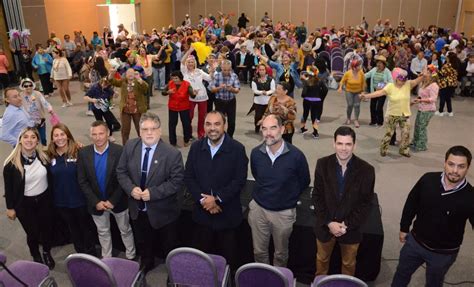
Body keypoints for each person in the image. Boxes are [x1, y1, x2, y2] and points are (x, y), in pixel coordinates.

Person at [392, 146, 474, 287]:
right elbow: (411, 202)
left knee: (434, 284)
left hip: (443, 254)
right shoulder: (428, 179)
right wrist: (404, 228)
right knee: (401, 274)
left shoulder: (471, 196)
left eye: (461, 166)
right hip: (415, 243)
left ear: (468, 167)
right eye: (451, 164)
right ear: (444, 163)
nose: (455, 171)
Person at [116, 112, 184, 274]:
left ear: (160, 131)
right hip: (138, 210)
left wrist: (153, 193)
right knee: (144, 241)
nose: (149, 133)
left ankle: (172, 272)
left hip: (163, 212)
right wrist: (131, 189)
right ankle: (147, 262)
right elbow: (121, 172)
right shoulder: (130, 147)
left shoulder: (172, 154)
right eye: (145, 129)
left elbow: (177, 182)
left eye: (153, 129)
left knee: (169, 245)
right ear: (139, 131)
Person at [184, 111, 248, 269]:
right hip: (202, 215)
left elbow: (239, 181)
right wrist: (204, 201)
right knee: (201, 262)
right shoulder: (196, 147)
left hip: (227, 215)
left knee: (228, 262)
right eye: (208, 124)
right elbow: (189, 178)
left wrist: (217, 199)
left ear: (225, 126)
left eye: (217, 124)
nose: (212, 128)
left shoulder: (237, 149)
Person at [249, 114, 310, 267]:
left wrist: (287, 198)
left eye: (273, 128)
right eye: (264, 128)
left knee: (281, 254)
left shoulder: (297, 156)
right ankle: (263, 277)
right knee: (258, 251)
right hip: (259, 210)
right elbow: (257, 175)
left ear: (282, 129)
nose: (268, 133)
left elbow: (304, 181)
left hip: (283, 214)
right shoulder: (256, 153)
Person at [312, 126, 375, 276]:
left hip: (351, 229)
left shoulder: (367, 170)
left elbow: (366, 203)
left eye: (348, 144)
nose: (343, 148)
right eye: (340, 143)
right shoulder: (322, 164)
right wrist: (329, 223)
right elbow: (317, 196)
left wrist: (346, 225)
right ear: (334, 144)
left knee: (348, 264)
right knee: (321, 260)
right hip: (325, 227)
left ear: (354, 145)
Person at [77, 121, 136, 260]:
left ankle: (131, 255)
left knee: (125, 230)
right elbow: (82, 181)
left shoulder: (120, 151)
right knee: (103, 232)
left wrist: (113, 200)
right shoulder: (84, 153)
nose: (98, 137)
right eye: (94, 134)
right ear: (90, 135)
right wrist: (95, 201)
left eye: (101, 133)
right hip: (96, 204)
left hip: (118, 202)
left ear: (108, 133)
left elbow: (124, 179)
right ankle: (107, 258)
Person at [3, 127, 55, 269]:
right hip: (25, 204)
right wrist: (10, 208)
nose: (29, 140)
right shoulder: (11, 165)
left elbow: (61, 149)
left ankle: (46, 252)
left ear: (37, 140)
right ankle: (35, 254)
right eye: (26, 137)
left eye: (33, 137)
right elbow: (9, 189)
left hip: (44, 200)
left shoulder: (44, 157)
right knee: (32, 233)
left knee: (46, 229)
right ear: (20, 140)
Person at [46, 124, 96, 255]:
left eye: (62, 134)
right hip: (62, 202)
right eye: (56, 135)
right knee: (73, 229)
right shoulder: (49, 155)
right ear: (52, 138)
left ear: (68, 136)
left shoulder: (79, 151)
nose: (59, 138)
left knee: (86, 228)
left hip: (80, 200)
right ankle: (80, 254)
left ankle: (92, 254)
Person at [361, 68, 424, 157]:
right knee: (389, 133)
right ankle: (384, 149)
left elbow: (418, 80)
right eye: (400, 79)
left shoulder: (408, 84)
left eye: (404, 79)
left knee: (406, 133)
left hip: (404, 114)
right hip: (392, 114)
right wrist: (367, 96)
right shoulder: (390, 86)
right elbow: (379, 93)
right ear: (395, 78)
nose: (402, 82)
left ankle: (404, 150)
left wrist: (424, 74)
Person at [181, 46, 214, 139]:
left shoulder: (200, 71)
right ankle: (189, 134)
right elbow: (182, 61)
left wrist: (211, 66)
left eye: (192, 62)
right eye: (189, 62)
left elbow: (209, 78)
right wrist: (189, 51)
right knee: (189, 117)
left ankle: (201, 134)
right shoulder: (184, 72)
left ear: (195, 63)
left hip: (202, 97)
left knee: (202, 117)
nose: (190, 64)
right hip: (190, 97)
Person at [109, 67, 148, 145]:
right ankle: (126, 147)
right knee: (125, 130)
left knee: (140, 129)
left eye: (132, 73)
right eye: (128, 73)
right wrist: (111, 74)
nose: (130, 75)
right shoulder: (123, 81)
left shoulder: (138, 81)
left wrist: (140, 80)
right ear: (126, 75)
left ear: (135, 74)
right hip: (125, 110)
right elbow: (113, 81)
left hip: (137, 110)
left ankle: (143, 145)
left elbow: (146, 89)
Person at [410, 65, 439, 152]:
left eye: (427, 72)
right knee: (417, 126)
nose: (424, 73)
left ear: (431, 74)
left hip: (428, 110)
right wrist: (418, 99)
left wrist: (421, 100)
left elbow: (433, 99)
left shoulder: (434, 85)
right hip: (421, 108)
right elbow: (421, 94)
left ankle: (422, 145)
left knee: (422, 127)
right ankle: (415, 142)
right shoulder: (424, 82)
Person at [161, 70, 194, 147]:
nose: (174, 80)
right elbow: (163, 92)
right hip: (173, 107)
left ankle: (186, 140)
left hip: (184, 107)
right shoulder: (170, 83)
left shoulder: (187, 84)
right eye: (173, 78)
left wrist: (194, 93)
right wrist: (167, 92)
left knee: (186, 124)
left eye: (176, 78)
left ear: (180, 78)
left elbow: (192, 95)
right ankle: (172, 142)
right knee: (172, 125)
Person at [84, 78, 121, 143]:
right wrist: (93, 100)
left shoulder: (108, 88)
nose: (105, 87)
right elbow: (85, 97)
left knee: (109, 121)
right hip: (96, 108)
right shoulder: (94, 87)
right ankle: (100, 134)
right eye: (104, 85)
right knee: (99, 122)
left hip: (105, 107)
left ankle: (110, 135)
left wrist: (116, 94)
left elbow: (114, 96)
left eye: (106, 86)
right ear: (101, 83)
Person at [210, 60, 240, 138]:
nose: (226, 72)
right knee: (219, 121)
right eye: (224, 70)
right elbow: (212, 89)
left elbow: (237, 90)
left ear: (230, 68)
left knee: (232, 122)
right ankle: (220, 136)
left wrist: (232, 89)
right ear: (221, 68)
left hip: (231, 101)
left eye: (228, 70)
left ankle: (230, 137)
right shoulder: (217, 76)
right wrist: (219, 87)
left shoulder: (234, 76)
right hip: (220, 101)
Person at [19, 78, 53, 146]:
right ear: (22, 87)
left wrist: (49, 108)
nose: (28, 87)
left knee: (42, 139)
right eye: (25, 86)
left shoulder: (37, 93)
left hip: (40, 121)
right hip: (28, 123)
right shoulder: (20, 95)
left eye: (30, 85)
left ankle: (44, 152)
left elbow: (44, 102)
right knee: (32, 140)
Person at [300, 67, 328, 139]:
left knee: (305, 114)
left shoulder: (307, 81)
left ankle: (302, 129)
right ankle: (315, 133)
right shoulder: (320, 81)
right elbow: (325, 89)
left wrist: (304, 96)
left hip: (307, 100)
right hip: (317, 101)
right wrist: (320, 97)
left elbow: (304, 93)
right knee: (314, 116)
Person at [364, 55, 393, 126]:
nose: (378, 64)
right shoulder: (374, 69)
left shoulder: (387, 71)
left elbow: (391, 82)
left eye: (380, 63)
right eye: (377, 62)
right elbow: (367, 75)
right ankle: (373, 121)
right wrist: (359, 75)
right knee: (372, 106)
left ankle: (380, 122)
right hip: (374, 90)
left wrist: (382, 86)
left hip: (382, 92)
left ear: (384, 64)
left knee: (379, 107)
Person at [338, 59, 365, 128]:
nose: (360, 67)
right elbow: (342, 81)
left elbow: (363, 83)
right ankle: (348, 118)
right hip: (349, 91)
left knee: (357, 105)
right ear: (354, 67)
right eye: (358, 66)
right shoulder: (348, 73)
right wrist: (340, 87)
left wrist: (363, 91)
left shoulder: (361, 73)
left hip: (358, 91)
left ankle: (356, 120)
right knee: (350, 105)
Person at [251, 63, 275, 133]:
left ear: (265, 70)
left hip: (268, 101)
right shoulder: (254, 80)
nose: (262, 71)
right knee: (258, 116)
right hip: (258, 101)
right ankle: (257, 128)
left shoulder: (271, 79)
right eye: (260, 70)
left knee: (268, 117)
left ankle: (267, 129)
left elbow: (273, 89)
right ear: (258, 70)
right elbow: (254, 90)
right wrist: (261, 92)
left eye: (263, 70)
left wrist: (266, 93)